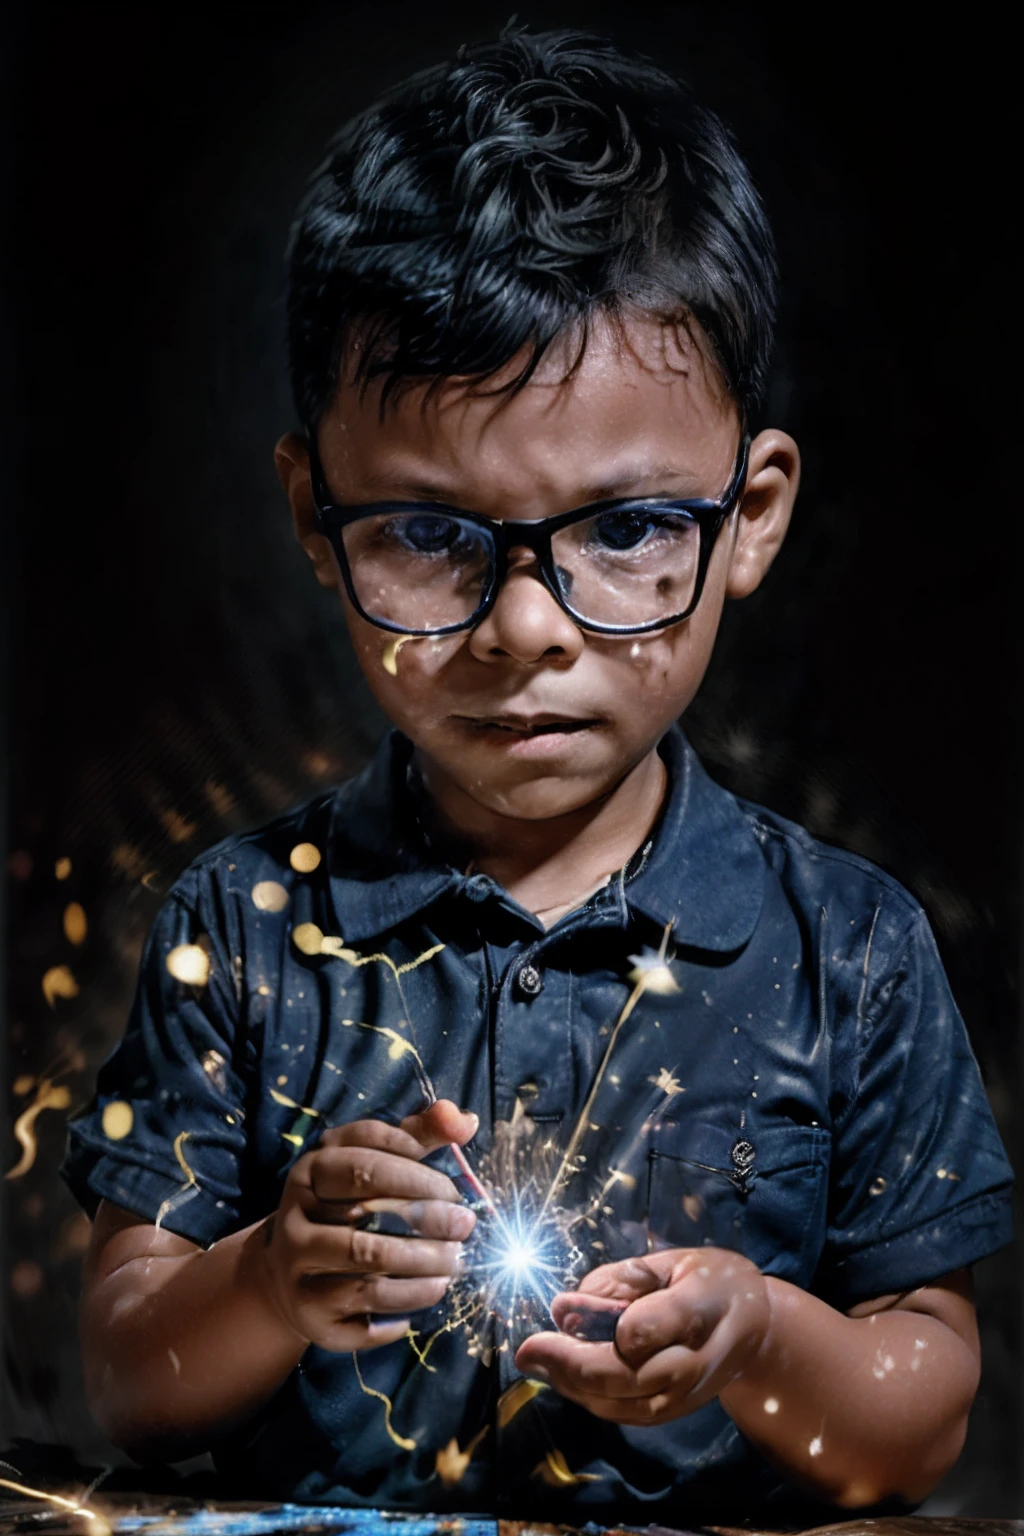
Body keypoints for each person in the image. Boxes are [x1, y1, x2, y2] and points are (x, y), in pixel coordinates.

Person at [62, 26, 1014, 1525]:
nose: (524, 628)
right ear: (316, 517)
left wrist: (758, 1337)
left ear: (750, 515)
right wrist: (266, 1274)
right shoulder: (240, 927)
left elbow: (919, 1421)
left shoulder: (854, 948)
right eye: (429, 535)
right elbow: (124, 1379)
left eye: (627, 528)